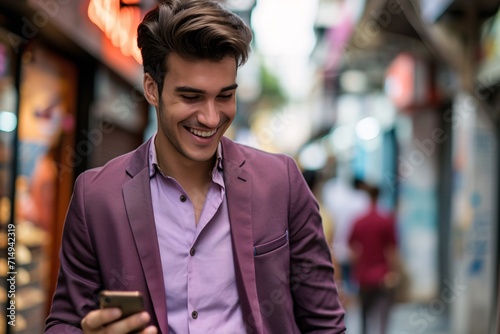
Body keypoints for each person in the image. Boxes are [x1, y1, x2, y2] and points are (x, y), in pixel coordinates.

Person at [44, 1, 346, 333]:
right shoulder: (96, 196)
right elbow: (65, 322)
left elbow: (325, 324)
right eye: (191, 97)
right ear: (151, 89)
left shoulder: (282, 182)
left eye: (224, 96)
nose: (211, 117)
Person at [348, 184, 398, 334]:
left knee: (364, 315)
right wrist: (393, 271)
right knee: (383, 316)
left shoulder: (358, 220)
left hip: (363, 276)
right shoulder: (386, 220)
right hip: (382, 275)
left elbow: (352, 248)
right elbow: (392, 250)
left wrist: (357, 265)